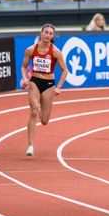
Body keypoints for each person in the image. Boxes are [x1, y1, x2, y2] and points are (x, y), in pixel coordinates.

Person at [20, 24, 67, 156]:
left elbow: (65, 71)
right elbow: (23, 67)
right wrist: (25, 79)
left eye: (50, 33)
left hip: (49, 84)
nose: (47, 35)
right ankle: (30, 145)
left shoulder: (55, 51)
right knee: (33, 111)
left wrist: (58, 87)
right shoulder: (30, 49)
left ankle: (38, 106)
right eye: (46, 32)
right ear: (41, 33)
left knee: (44, 120)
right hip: (34, 81)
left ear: (53, 36)